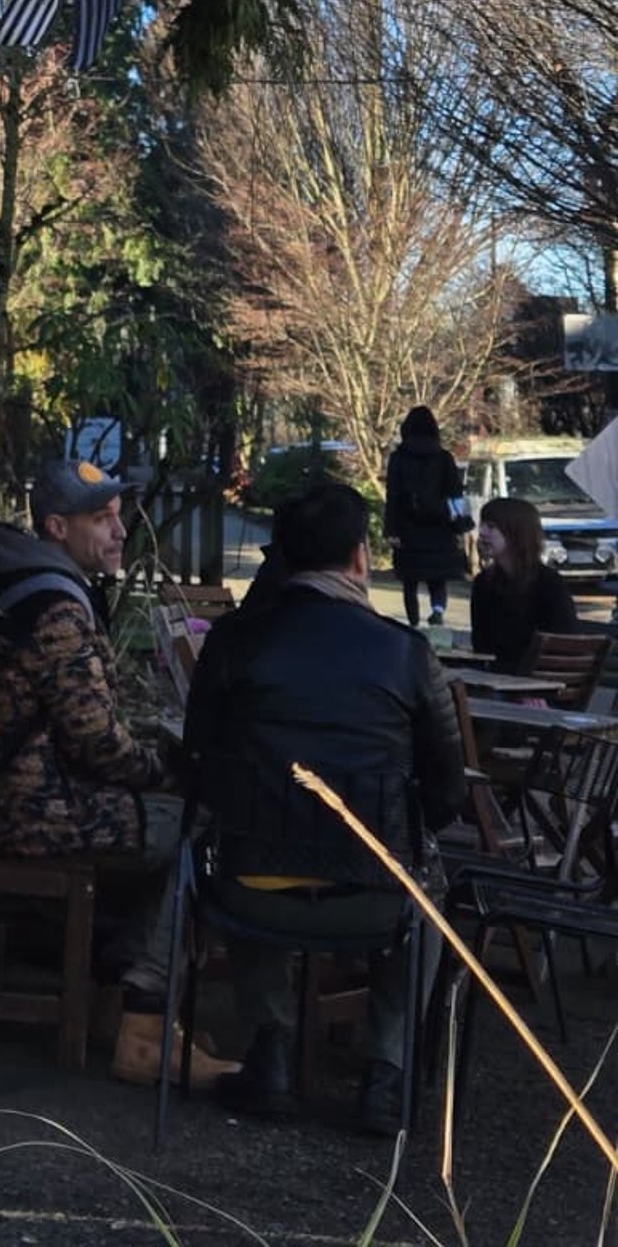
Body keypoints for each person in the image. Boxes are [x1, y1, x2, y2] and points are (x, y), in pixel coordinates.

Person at [183, 480, 465, 1135]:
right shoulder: (406, 652)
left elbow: (201, 764)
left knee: (243, 838)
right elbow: (447, 793)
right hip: (373, 898)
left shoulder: (233, 642)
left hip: (251, 892)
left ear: (280, 557)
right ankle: (386, 1072)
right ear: (361, 557)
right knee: (427, 884)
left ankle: (270, 1052)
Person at [0, 458, 235, 1090]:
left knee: (171, 824)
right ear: (57, 527)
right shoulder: (56, 606)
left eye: (118, 517)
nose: (119, 532)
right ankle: (145, 1026)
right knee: (197, 826)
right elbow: (96, 743)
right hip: (33, 811)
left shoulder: (24, 582)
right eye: (100, 519)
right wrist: (164, 770)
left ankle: (120, 1006)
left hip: (12, 796)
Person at [384, 405, 470, 629]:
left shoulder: (398, 459)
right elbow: (455, 492)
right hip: (440, 526)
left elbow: (393, 496)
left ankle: (413, 622)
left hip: (407, 527)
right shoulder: (443, 458)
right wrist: (459, 522)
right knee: (437, 576)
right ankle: (437, 611)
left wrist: (390, 530)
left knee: (410, 579)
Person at [470, 495, 579, 670]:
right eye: (482, 525)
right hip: (495, 676)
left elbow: (564, 644)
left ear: (517, 533)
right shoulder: (484, 583)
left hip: (542, 679)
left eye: (491, 527)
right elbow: (480, 646)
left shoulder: (549, 584)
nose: (482, 532)